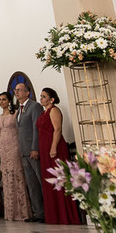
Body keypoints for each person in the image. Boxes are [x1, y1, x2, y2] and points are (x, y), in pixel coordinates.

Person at [37, 88, 81, 225]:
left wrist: (53, 147)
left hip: (54, 147)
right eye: (41, 96)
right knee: (49, 180)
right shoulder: (43, 112)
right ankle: (54, 214)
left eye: (44, 96)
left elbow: (57, 129)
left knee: (59, 179)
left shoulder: (54, 110)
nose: (41, 98)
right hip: (44, 148)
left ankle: (64, 214)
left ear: (52, 99)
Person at [0, 92, 31, 221]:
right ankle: (10, 212)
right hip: (3, 150)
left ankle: (23, 211)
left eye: (4, 99)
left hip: (14, 146)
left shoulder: (15, 114)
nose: (1, 102)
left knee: (17, 175)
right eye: (0, 100)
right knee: (6, 178)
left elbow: (20, 130)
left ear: (9, 101)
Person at [14, 82, 45, 222]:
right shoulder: (19, 110)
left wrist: (35, 147)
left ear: (27, 93)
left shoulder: (34, 106)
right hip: (23, 151)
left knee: (40, 181)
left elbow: (35, 128)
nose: (17, 92)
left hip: (33, 150)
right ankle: (37, 212)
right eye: (16, 90)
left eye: (20, 90)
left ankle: (46, 212)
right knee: (31, 184)